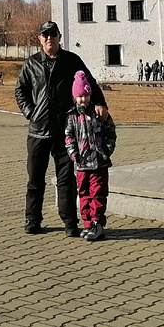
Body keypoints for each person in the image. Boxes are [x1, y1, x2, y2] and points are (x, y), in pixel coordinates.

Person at [15, 21, 107, 236]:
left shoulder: (71, 61)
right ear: (39, 39)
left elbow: (90, 84)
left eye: (53, 34)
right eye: (45, 35)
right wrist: (31, 112)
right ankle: (32, 220)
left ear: (59, 37)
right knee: (35, 180)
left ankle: (69, 222)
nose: (49, 38)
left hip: (65, 132)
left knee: (66, 180)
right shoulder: (31, 64)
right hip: (38, 132)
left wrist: (101, 104)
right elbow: (21, 90)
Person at [64, 71, 117, 241]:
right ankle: (88, 223)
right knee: (84, 193)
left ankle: (97, 223)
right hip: (81, 164)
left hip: (99, 163)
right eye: (80, 96)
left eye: (86, 95)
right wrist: (74, 154)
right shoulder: (72, 116)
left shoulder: (98, 114)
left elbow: (111, 132)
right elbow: (69, 137)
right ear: (74, 97)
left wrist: (107, 150)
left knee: (98, 194)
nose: (83, 100)